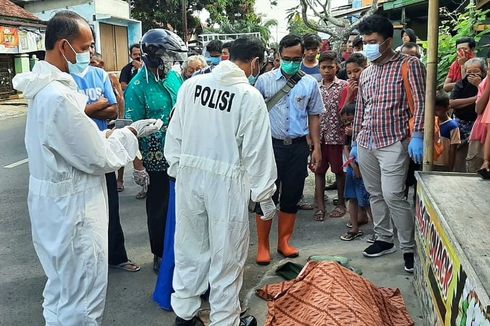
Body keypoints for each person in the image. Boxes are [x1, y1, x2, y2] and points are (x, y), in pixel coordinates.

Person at [12, 10, 160, 324]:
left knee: (62, 290)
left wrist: (106, 133)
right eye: (86, 46)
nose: (90, 54)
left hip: (55, 208)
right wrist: (130, 133)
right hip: (73, 212)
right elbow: (98, 158)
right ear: (64, 46)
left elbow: (74, 144)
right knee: (82, 296)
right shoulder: (57, 98)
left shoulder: (47, 92)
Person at [165, 36, 275, 326]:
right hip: (226, 184)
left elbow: (174, 134)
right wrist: (264, 196)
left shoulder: (191, 87)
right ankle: (226, 320)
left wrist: (178, 169)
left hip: (189, 178)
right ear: (254, 63)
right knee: (227, 257)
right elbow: (257, 151)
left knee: (189, 250)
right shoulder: (248, 97)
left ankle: (185, 315)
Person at [353, 15, 426, 273]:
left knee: (393, 194)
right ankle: (384, 238)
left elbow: (420, 103)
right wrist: (355, 143)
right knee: (374, 194)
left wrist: (417, 135)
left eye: (372, 41)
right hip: (366, 141)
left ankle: (408, 247)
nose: (368, 46)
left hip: (394, 141)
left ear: (387, 41)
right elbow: (361, 109)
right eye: (364, 42)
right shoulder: (367, 73)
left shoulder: (410, 65)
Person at [254, 34, 324, 265]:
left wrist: (316, 147)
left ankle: (284, 242)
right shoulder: (264, 81)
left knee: (292, 195)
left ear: (303, 56)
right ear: (278, 56)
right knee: (266, 195)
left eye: (296, 58)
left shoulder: (309, 83)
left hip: (297, 147)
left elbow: (314, 115)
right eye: (287, 58)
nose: (292, 62)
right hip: (270, 147)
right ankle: (263, 246)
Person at [125, 28, 187, 274]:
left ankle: (178, 249)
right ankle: (159, 253)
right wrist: (138, 167)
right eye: (168, 57)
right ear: (155, 56)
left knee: (181, 206)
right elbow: (130, 131)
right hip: (155, 160)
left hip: (180, 155)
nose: (171, 62)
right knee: (159, 208)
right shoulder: (137, 88)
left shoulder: (173, 78)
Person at [72, 50, 141, 273]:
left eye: (90, 48)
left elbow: (112, 110)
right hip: (77, 155)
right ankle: (85, 262)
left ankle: (116, 256)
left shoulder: (99, 76)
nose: (87, 55)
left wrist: (83, 112)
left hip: (102, 149)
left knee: (110, 206)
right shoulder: (65, 78)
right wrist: (94, 107)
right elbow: (68, 115)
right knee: (81, 213)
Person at [313, 51, 348, 221]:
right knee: (319, 172)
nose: (326, 71)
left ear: (337, 67)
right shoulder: (315, 87)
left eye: (330, 67)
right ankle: (320, 207)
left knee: (339, 172)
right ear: (319, 68)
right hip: (319, 138)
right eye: (323, 67)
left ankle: (341, 203)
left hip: (337, 137)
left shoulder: (344, 86)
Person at [90, 53, 128, 192]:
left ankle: (120, 178)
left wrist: (120, 118)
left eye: (94, 63)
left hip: (112, 120)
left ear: (101, 64)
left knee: (117, 148)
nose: (91, 66)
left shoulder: (109, 77)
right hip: (97, 125)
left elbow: (118, 100)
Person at [340, 104, 371, 241]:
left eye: (351, 117)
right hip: (353, 168)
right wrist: (352, 164)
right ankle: (354, 227)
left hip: (365, 167)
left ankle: (380, 231)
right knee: (352, 198)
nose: (348, 121)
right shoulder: (347, 132)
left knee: (367, 199)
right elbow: (346, 147)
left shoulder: (365, 129)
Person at [449, 58, 484, 172]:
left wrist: (479, 86)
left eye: (476, 71)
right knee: (460, 152)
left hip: (479, 123)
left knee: (477, 153)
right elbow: (452, 103)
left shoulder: (485, 84)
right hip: (461, 122)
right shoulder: (461, 83)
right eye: (469, 72)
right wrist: (475, 99)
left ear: (483, 72)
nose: (472, 74)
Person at [432, 90, 461, 171]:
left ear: (447, 108)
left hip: (443, 165)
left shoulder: (452, 126)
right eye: (433, 110)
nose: (435, 113)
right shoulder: (431, 122)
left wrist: (450, 168)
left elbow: (453, 149)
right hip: (429, 162)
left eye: (438, 110)